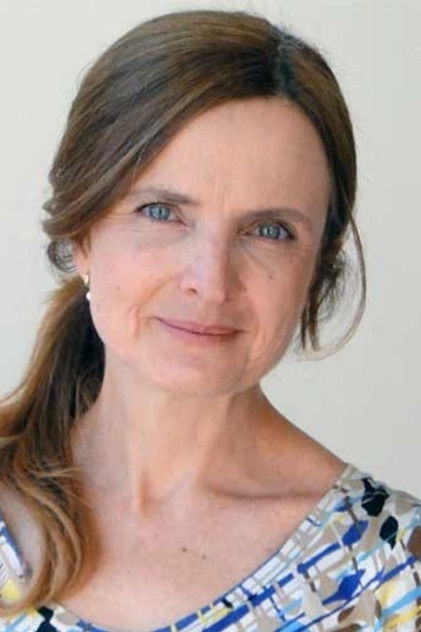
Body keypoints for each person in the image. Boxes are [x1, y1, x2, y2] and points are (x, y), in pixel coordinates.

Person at [0, 8, 420, 632]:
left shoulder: (393, 571)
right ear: (81, 234)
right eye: (161, 212)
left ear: (317, 269)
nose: (211, 280)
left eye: (269, 230)